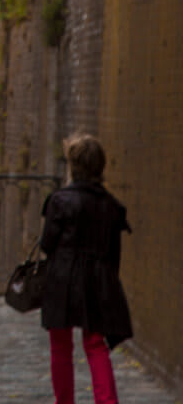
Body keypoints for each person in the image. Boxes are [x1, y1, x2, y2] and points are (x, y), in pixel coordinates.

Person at [41, 133, 132, 404]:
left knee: (60, 346)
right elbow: (114, 253)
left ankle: (64, 401)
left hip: (63, 278)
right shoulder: (111, 206)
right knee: (95, 345)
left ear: (73, 165)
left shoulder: (59, 201)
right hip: (98, 280)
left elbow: (47, 244)